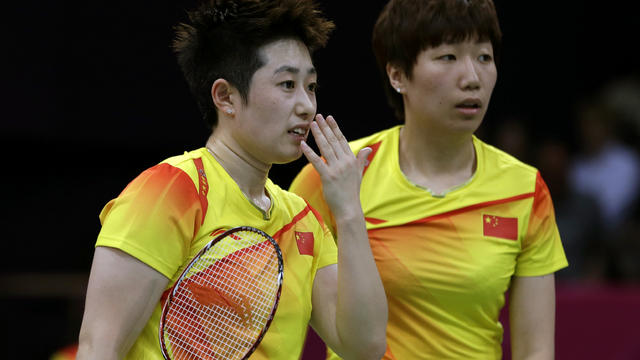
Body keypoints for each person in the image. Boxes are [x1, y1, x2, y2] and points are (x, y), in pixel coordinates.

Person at [76, 0, 387, 359]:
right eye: (287, 84)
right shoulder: (170, 192)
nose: (306, 105)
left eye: (311, 86)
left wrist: (348, 212)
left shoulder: (302, 220)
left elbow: (365, 347)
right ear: (226, 97)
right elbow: (98, 348)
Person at [290, 0, 568, 359]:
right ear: (398, 75)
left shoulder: (525, 191)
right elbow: (280, 314)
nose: (472, 78)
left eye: (484, 57)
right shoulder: (336, 175)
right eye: (448, 57)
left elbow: (536, 352)